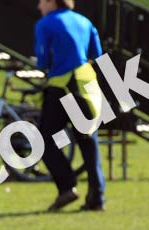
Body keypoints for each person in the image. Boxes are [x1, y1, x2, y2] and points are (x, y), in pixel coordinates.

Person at [35, 0, 106, 212]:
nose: (39, 7)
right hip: (86, 84)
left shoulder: (46, 23)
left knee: (45, 140)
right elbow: (97, 54)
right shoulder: (85, 21)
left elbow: (42, 60)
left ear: (52, 2)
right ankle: (97, 197)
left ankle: (67, 186)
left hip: (62, 86)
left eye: (42, 1)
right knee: (87, 140)